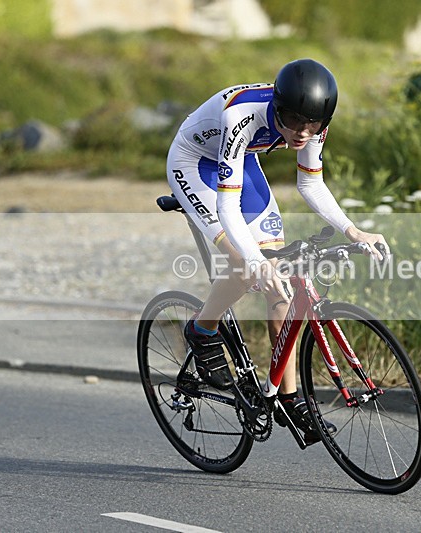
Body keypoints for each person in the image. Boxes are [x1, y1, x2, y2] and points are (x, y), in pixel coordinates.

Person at [166, 58, 389, 444]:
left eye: (312, 125)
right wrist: (253, 259)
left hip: (241, 161)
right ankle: (202, 329)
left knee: (281, 281)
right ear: (277, 108)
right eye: (292, 121)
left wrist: (353, 231)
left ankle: (288, 397)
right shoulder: (243, 115)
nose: (302, 133)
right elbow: (226, 207)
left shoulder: (314, 122)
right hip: (193, 163)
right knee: (243, 260)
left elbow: (311, 185)